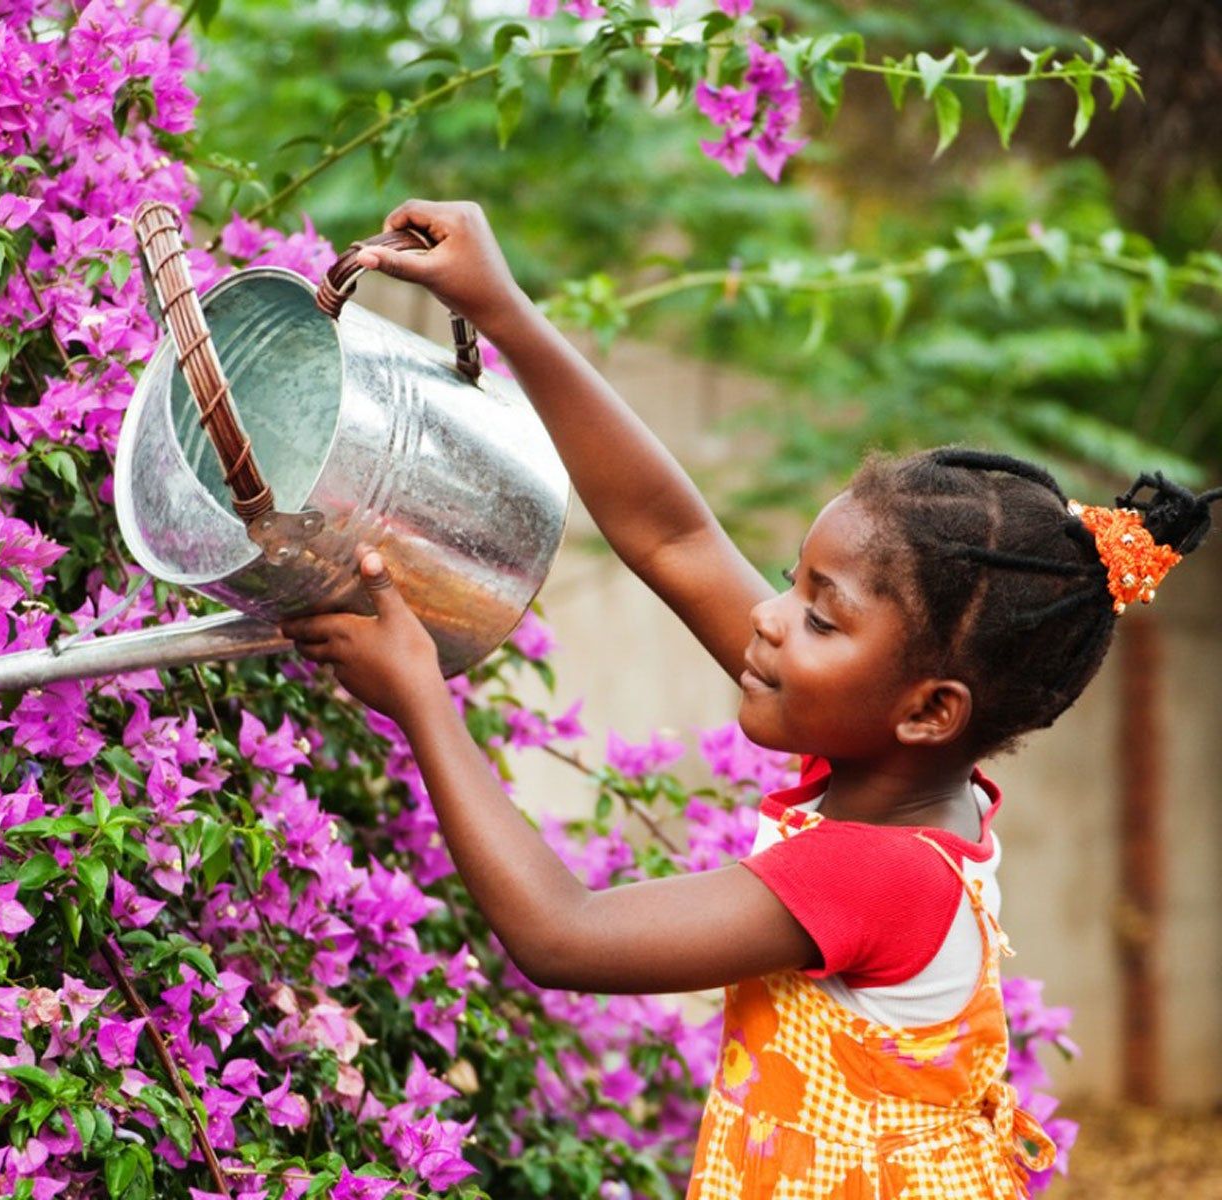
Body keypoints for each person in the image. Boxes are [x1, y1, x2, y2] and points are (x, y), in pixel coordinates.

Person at [277, 200, 1221, 1198]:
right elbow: (674, 539)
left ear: (929, 710)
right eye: (788, 582)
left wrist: (419, 696)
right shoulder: (889, 764)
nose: (767, 620)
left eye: (821, 616)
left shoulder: (878, 870)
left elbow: (560, 935)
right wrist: (504, 309)